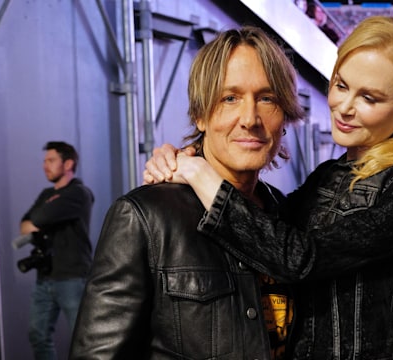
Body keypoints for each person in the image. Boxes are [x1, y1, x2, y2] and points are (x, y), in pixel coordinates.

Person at [144, 16, 393, 359]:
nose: (345, 108)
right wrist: (182, 156)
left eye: (369, 98)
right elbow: (264, 229)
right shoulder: (329, 175)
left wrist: (200, 173)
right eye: (341, 85)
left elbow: (299, 258)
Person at [69, 26, 304, 359]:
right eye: (230, 98)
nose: (250, 118)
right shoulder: (145, 217)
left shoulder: (288, 216)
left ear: (285, 115)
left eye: (267, 98)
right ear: (200, 115)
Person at [20, 141, 94, 360]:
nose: (45, 166)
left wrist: (39, 221)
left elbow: (39, 218)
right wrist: (38, 220)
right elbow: (24, 224)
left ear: (68, 163)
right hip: (45, 278)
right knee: (38, 335)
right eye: (44, 161)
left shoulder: (79, 193)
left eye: (51, 160)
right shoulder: (46, 194)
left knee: (82, 340)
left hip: (72, 277)